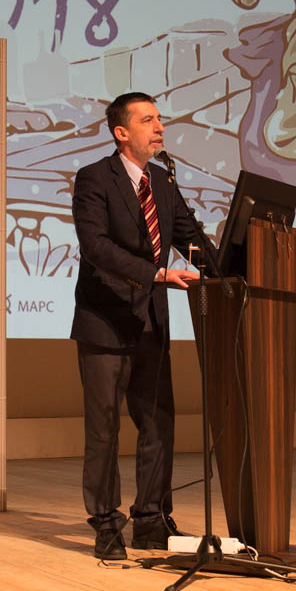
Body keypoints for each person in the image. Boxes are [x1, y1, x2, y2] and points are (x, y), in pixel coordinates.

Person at [70, 91, 209, 560]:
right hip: (105, 322)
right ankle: (107, 525)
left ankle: (150, 520)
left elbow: (191, 238)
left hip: (151, 322)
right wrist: (156, 274)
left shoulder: (163, 182)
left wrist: (231, 270)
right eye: (148, 120)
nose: (160, 127)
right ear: (121, 132)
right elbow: (96, 247)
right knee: (104, 430)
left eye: (159, 119)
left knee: (158, 424)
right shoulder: (95, 178)